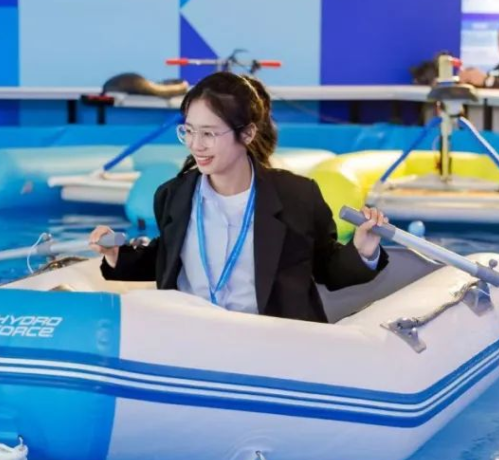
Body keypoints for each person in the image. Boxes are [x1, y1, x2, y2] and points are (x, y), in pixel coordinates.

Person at [88, 72, 389, 323]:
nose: (195, 145)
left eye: (208, 133)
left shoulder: (296, 196)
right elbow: (167, 256)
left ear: (247, 134)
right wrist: (116, 255)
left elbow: (326, 268)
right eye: (188, 131)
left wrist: (363, 250)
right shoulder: (173, 194)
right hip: (188, 339)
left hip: (272, 346)